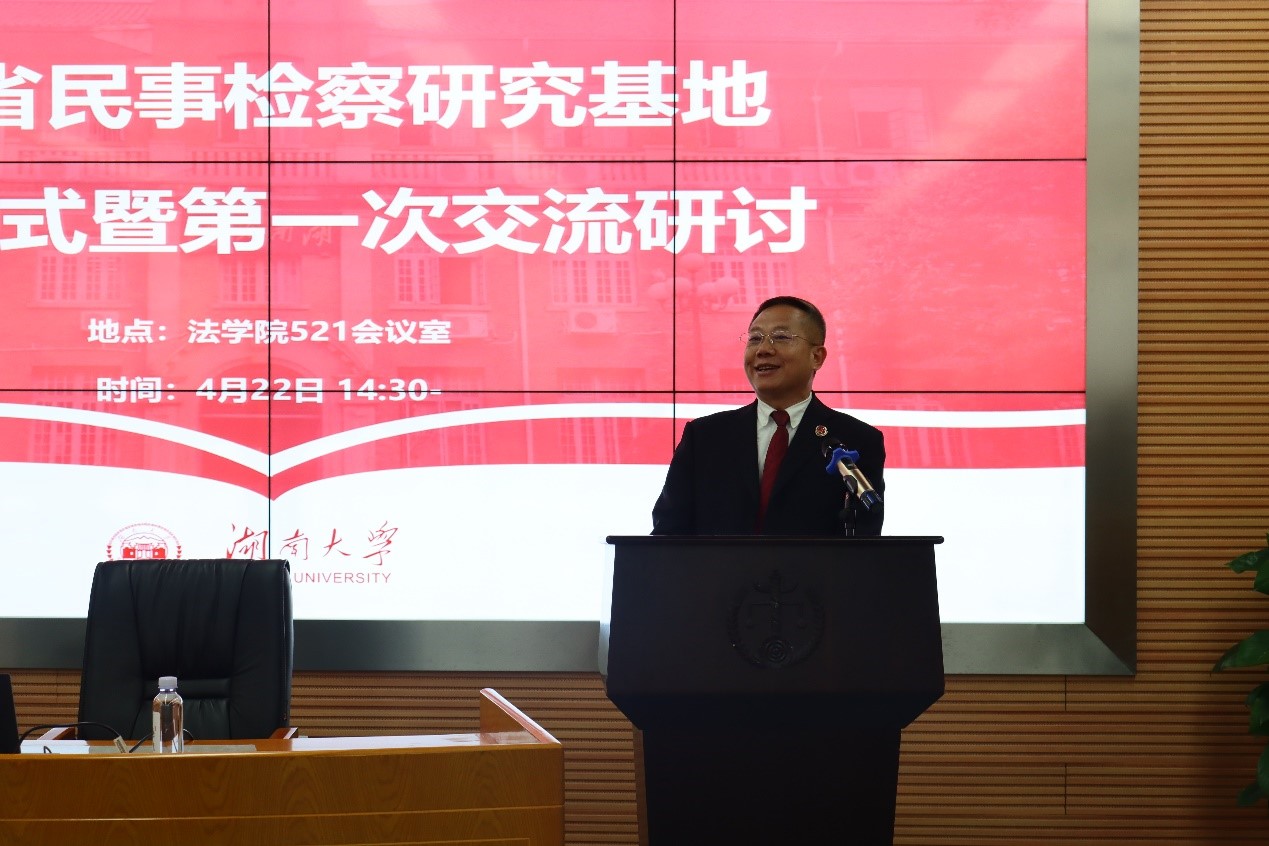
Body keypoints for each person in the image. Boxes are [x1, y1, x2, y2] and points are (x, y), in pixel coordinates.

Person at [651, 295, 885, 536]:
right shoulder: (704, 437)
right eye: (755, 338)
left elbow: (864, 541)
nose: (763, 349)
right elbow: (668, 534)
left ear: (816, 357)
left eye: (781, 337)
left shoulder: (858, 440)